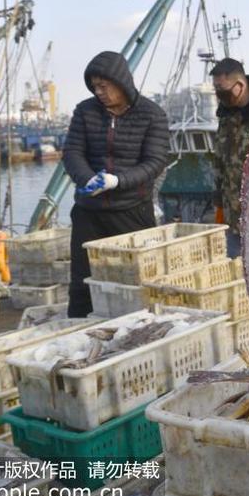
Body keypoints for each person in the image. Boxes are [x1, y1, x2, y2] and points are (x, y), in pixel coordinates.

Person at [62, 51, 170, 317]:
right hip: (90, 212)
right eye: (94, 87)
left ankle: (143, 326)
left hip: (132, 210)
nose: (98, 92)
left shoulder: (152, 114)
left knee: (139, 280)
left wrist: (117, 181)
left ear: (120, 82)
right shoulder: (85, 111)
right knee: (82, 281)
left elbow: (155, 162)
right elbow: (72, 153)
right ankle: (77, 327)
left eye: (103, 86)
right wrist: (87, 179)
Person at [210, 57, 249, 256]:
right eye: (216, 91)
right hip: (233, 219)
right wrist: (218, 202)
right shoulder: (225, 115)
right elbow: (220, 160)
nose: (219, 96)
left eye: (223, 91)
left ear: (240, 85)